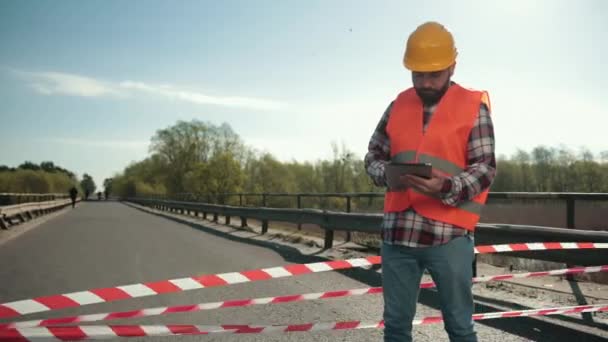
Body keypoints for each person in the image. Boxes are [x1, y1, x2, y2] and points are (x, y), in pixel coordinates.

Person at [364, 21, 496, 342]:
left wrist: (447, 187)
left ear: (452, 65)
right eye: (417, 74)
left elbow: (485, 168)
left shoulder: (472, 107)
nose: (424, 82)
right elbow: (372, 156)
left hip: (448, 237)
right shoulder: (397, 105)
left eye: (433, 74)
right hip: (398, 236)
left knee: (460, 328)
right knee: (396, 327)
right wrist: (387, 174)